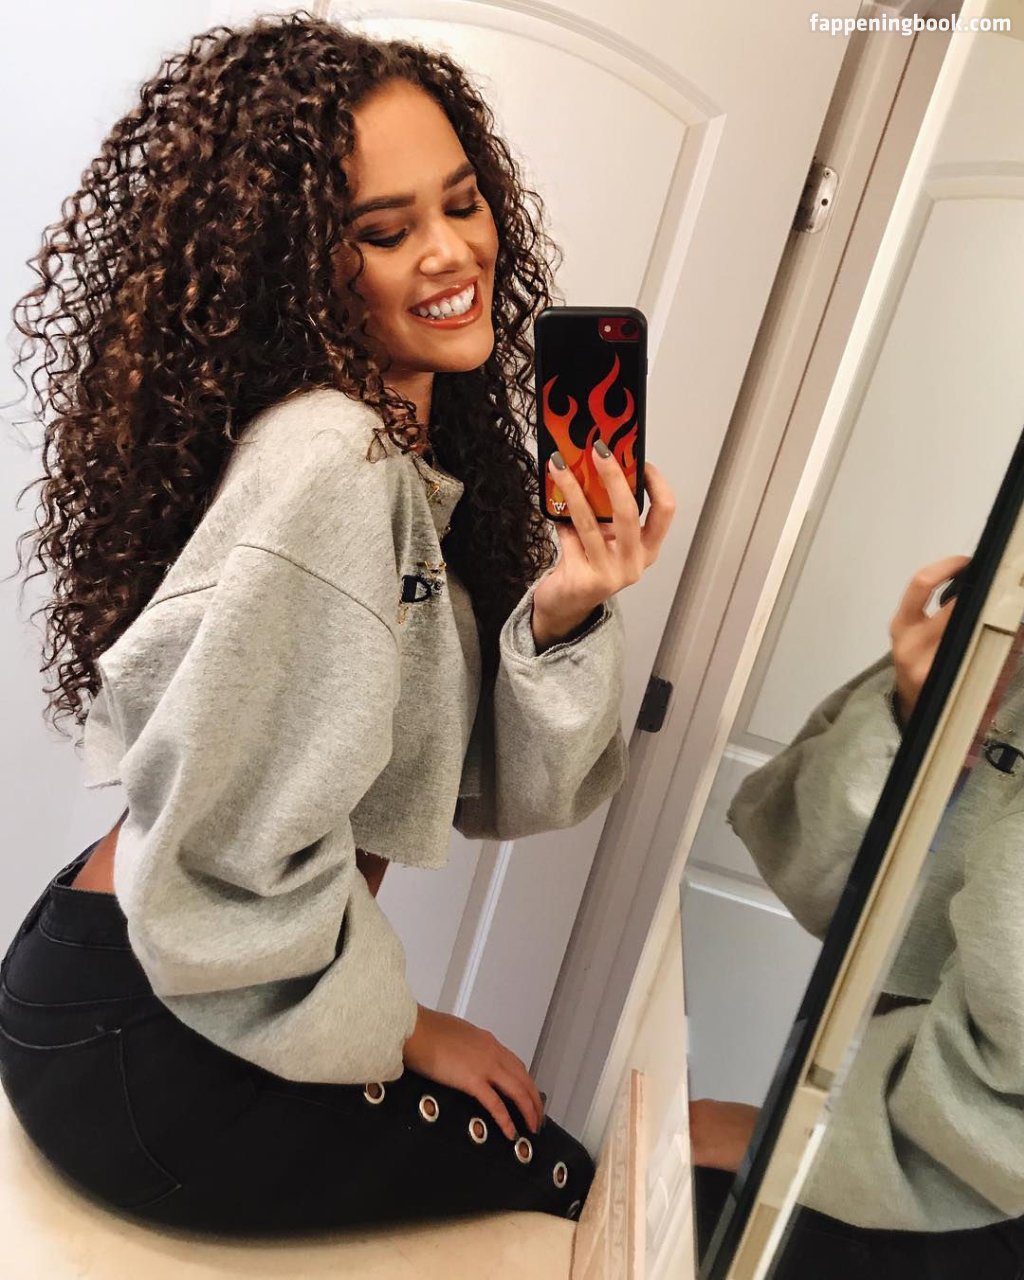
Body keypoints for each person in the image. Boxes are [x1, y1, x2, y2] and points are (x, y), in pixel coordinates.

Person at [0, 14, 675, 1235]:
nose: (451, 251)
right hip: (152, 1023)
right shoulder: (335, 459)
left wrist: (563, 609)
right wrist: (405, 1023)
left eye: (461, 202)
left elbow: (489, 789)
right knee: (572, 1197)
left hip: (152, 975)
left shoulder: (401, 455)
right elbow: (218, 854)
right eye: (384, 230)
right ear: (296, 263)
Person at [690, 554, 1024, 1278]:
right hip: (891, 1121)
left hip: (968, 1195)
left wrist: (791, 1144)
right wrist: (911, 717)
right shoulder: (997, 624)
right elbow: (809, 867)